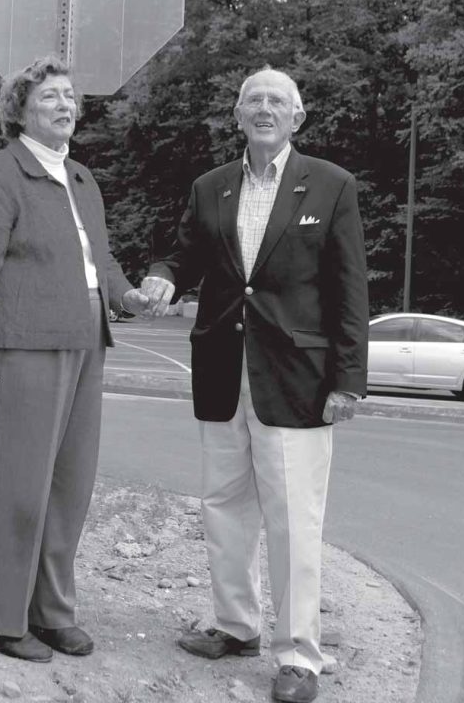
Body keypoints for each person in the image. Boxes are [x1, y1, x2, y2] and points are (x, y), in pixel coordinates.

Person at [142, 67, 368, 703]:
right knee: (224, 506)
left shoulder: (331, 185)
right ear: (237, 115)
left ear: (298, 118)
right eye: (253, 100)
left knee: (295, 521)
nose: (264, 108)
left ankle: (299, 655)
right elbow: (181, 255)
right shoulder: (210, 187)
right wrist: (161, 275)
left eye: (278, 101)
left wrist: (348, 378)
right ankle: (234, 625)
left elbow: (351, 291)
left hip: (298, 380)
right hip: (221, 370)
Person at [0, 56, 149, 664]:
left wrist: (129, 295)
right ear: (20, 113)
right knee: (18, 485)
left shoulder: (83, 179)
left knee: (69, 487)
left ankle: (52, 612)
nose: (64, 107)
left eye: (69, 97)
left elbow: (102, 263)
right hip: (22, 342)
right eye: (49, 99)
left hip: (86, 338)